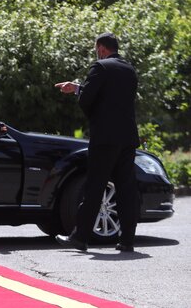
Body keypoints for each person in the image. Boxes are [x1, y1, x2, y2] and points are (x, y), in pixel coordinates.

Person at [54, 32, 140, 252]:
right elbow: (113, 99)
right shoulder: (129, 70)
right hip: (127, 138)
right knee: (125, 188)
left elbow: (87, 100)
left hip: (105, 139)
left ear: (101, 49)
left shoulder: (100, 67)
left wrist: (77, 92)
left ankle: (80, 238)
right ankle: (127, 240)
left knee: (94, 186)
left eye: (96, 50)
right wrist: (77, 87)